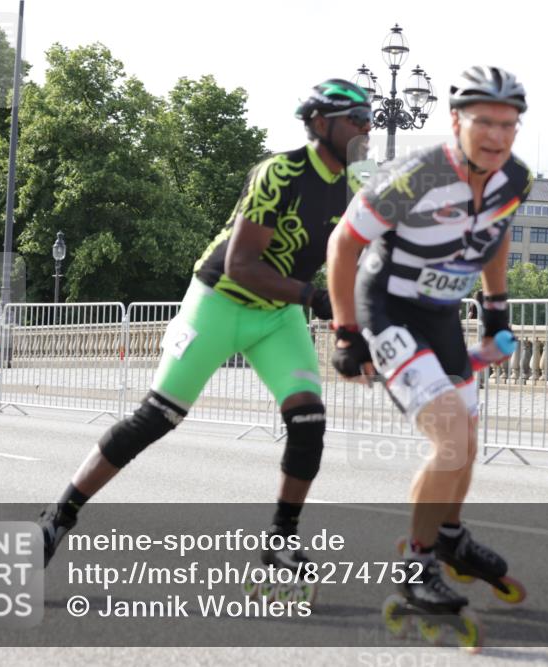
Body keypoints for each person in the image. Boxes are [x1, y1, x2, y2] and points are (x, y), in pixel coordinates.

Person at [39, 79, 372, 584]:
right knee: (157, 416)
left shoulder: (354, 187)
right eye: (356, 119)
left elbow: (352, 262)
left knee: (308, 420)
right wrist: (316, 299)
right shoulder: (278, 173)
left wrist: (350, 329)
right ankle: (59, 515)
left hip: (276, 317)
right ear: (321, 123)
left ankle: (281, 541)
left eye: (371, 119)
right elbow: (241, 266)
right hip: (220, 301)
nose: (367, 128)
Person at [326, 65, 532, 617]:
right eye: (484, 122)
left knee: (467, 436)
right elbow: (343, 244)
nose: (497, 136)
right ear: (455, 120)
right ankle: (416, 568)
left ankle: (448, 535)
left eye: (509, 125)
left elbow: (499, 232)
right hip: (388, 306)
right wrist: (346, 333)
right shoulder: (416, 175)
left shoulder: (515, 179)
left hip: (441, 312)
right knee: (449, 437)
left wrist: (495, 308)